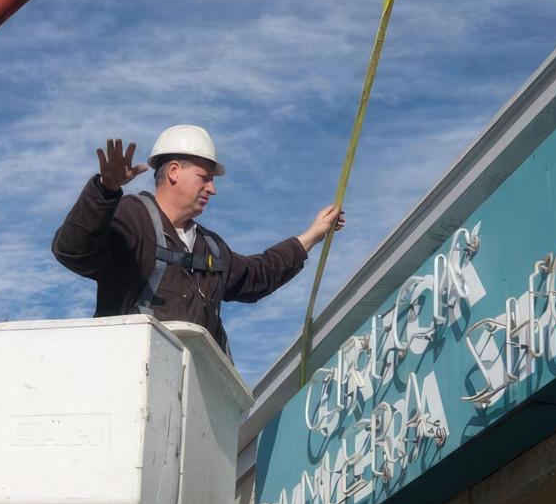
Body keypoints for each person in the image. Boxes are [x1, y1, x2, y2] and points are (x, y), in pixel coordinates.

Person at [52, 124, 343, 356]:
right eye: (204, 177)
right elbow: (72, 251)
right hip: (130, 378)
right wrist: (105, 190)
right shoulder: (131, 217)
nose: (212, 189)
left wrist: (311, 236)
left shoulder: (210, 246)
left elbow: (258, 275)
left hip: (194, 389)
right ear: (174, 172)